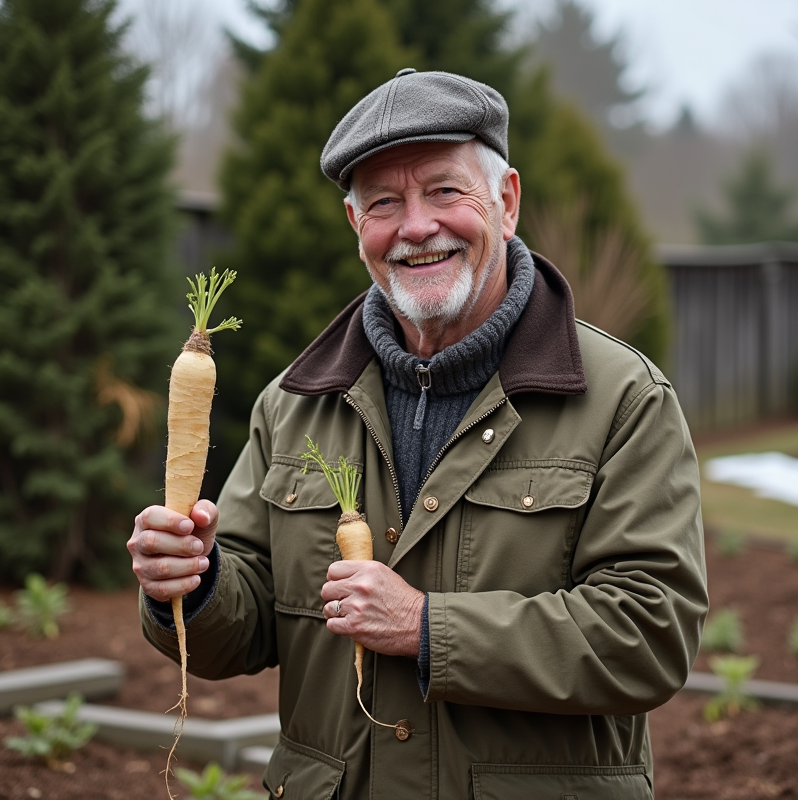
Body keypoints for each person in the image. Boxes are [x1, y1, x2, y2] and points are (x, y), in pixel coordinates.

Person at [128, 69, 707, 800]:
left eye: (444, 190)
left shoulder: (622, 399)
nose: (415, 226)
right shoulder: (294, 404)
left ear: (506, 202)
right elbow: (242, 630)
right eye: (384, 203)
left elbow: (649, 635)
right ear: (355, 227)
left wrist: (428, 627)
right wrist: (195, 582)